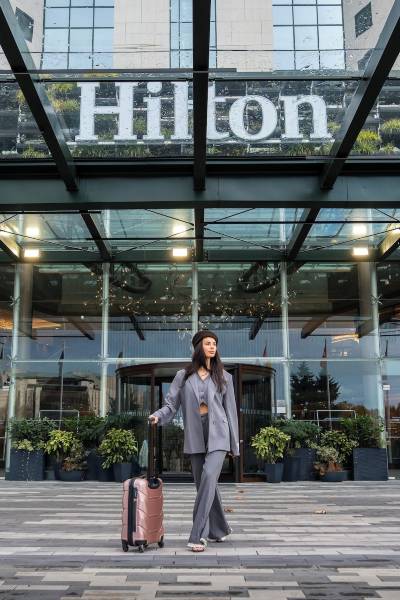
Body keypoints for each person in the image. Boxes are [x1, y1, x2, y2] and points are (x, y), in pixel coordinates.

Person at [148, 329, 240, 552]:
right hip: (195, 435)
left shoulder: (224, 377)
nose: (212, 347)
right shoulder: (183, 376)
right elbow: (171, 405)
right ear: (199, 347)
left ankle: (198, 534)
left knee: (208, 477)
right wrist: (158, 416)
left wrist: (234, 444)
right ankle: (219, 529)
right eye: (208, 343)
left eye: (214, 343)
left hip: (219, 434)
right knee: (205, 485)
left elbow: (231, 412)